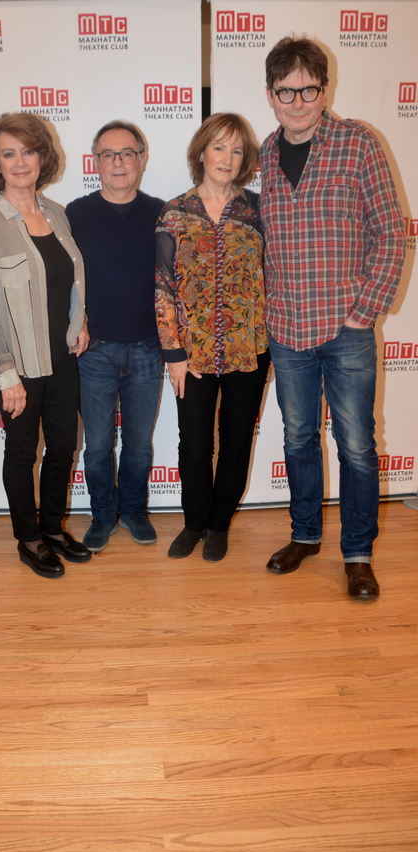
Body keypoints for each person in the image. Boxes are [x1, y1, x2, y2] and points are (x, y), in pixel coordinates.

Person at [260, 36, 405, 600]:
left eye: (308, 89)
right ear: (270, 95)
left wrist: (363, 310)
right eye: (286, 90)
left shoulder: (358, 143)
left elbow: (392, 232)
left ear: (326, 89)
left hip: (347, 330)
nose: (297, 100)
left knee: (356, 445)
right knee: (298, 439)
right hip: (288, 330)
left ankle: (358, 553)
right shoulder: (265, 156)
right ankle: (304, 535)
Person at [0, 113, 90, 579]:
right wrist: (4, 375)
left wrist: (81, 323)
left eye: (29, 151)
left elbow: (70, 279)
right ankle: (30, 539)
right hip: (19, 367)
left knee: (63, 446)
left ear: (43, 156)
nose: (21, 162)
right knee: (22, 454)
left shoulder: (56, 213)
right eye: (9, 153)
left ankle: (54, 529)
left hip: (62, 359)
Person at [156, 113, 270, 562]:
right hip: (193, 353)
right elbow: (163, 286)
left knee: (238, 438)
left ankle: (219, 524)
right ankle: (193, 522)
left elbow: (272, 279)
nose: (227, 157)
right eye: (219, 147)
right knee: (195, 443)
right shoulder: (175, 211)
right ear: (201, 152)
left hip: (249, 350)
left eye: (237, 150)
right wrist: (174, 353)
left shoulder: (258, 210)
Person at [65, 121, 164, 552]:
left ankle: (135, 511)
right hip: (95, 351)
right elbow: (63, 281)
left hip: (148, 348)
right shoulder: (74, 214)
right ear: (95, 162)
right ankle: (104, 515)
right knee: (99, 444)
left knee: (139, 444)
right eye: (108, 154)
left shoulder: (163, 212)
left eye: (128, 153)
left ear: (142, 159)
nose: (119, 162)